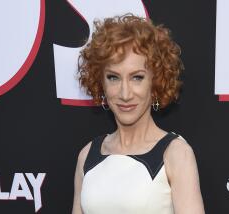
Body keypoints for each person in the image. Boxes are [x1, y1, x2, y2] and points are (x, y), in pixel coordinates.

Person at [72, 14, 205, 214]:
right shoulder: (87, 155)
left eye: (137, 78)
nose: (125, 94)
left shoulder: (176, 154)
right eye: (113, 77)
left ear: (156, 81)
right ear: (101, 83)